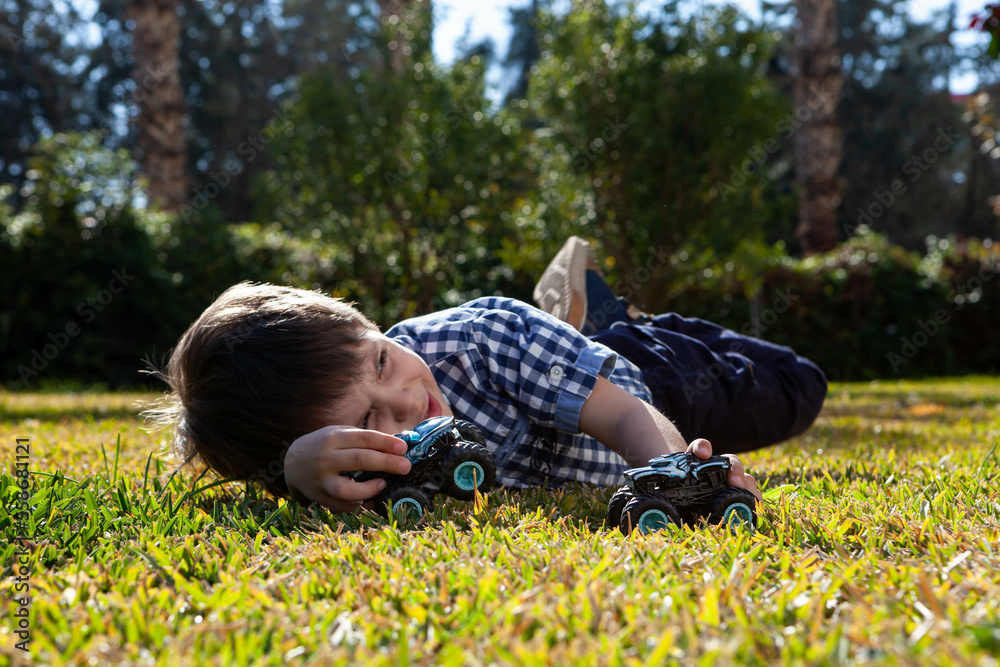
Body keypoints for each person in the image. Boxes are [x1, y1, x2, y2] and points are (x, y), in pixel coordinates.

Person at [148, 237, 827, 515]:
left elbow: (625, 419)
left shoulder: (480, 339)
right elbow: (278, 470)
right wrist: (294, 476)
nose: (406, 402)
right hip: (560, 381)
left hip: (652, 380)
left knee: (799, 386)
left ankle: (611, 316)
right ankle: (576, 319)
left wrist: (673, 477)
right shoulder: (325, 463)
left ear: (366, 322)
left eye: (381, 362)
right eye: (365, 424)